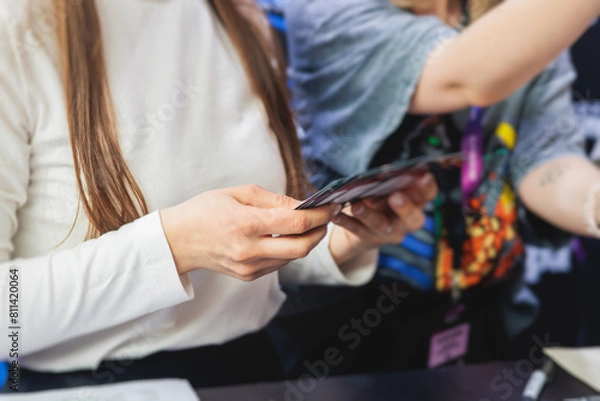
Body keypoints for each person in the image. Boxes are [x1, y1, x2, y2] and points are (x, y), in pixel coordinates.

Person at [0, 0, 439, 391]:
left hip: (249, 373)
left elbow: (240, 267)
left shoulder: (238, 16)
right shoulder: (15, 26)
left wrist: (345, 237)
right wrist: (174, 245)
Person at [268, 0, 600, 377]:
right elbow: (466, 76)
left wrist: (593, 203)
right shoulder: (327, 8)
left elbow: (545, 157)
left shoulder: (516, 10)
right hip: (347, 305)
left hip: (479, 297)